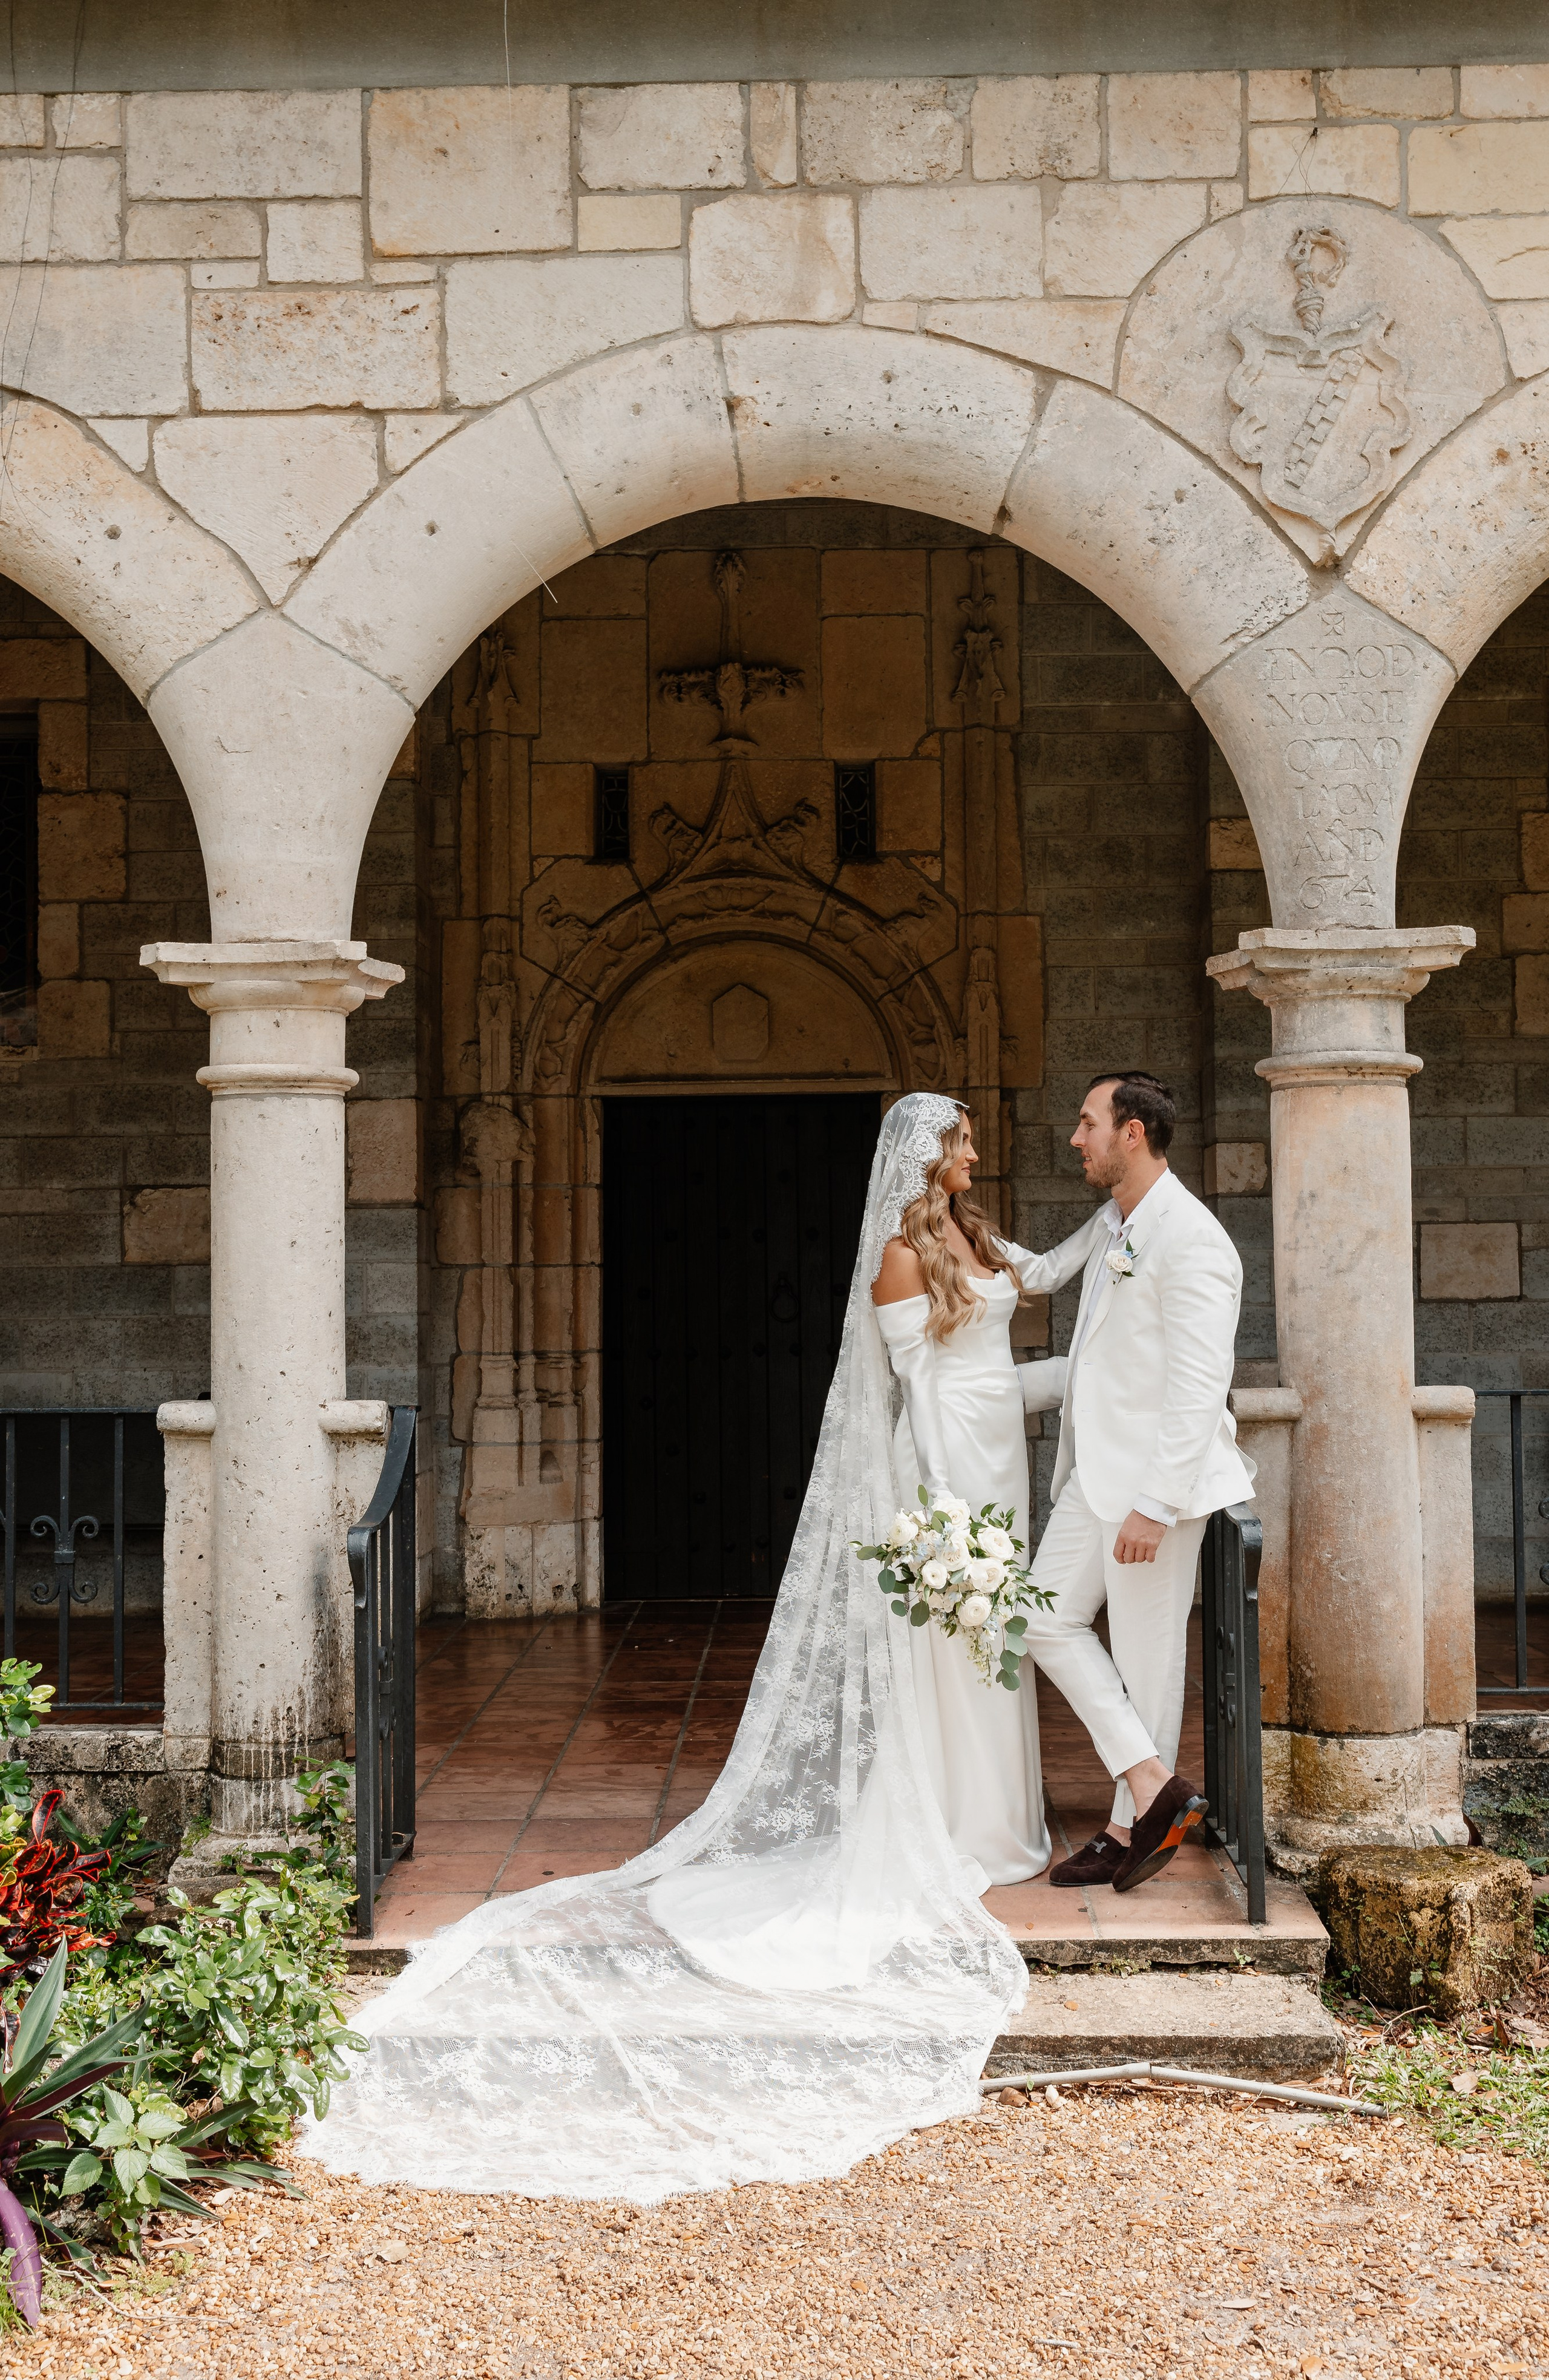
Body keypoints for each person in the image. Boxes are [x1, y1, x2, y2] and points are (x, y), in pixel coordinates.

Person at [1017, 1070, 1255, 1893]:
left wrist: (1156, 1503)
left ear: (1133, 1133)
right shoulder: (1116, 1223)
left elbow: (1198, 1384)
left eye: (1088, 1123)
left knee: (1146, 1662)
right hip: (1096, 1474)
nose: (1075, 1138)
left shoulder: (1193, 1240)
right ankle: (1155, 1787)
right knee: (1041, 1616)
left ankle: (1127, 1830)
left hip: (1156, 1486)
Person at [871, 1109, 1078, 1886]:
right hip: (947, 1456)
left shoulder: (979, 1236)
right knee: (955, 1633)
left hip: (997, 1451)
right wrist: (942, 1500)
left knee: (1002, 1626)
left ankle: (1006, 1817)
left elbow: (1052, 1270)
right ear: (925, 1155)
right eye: (961, 1142)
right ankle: (959, 1825)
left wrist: (1128, 1214)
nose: (975, 1151)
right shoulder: (901, 1254)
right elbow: (917, 1386)